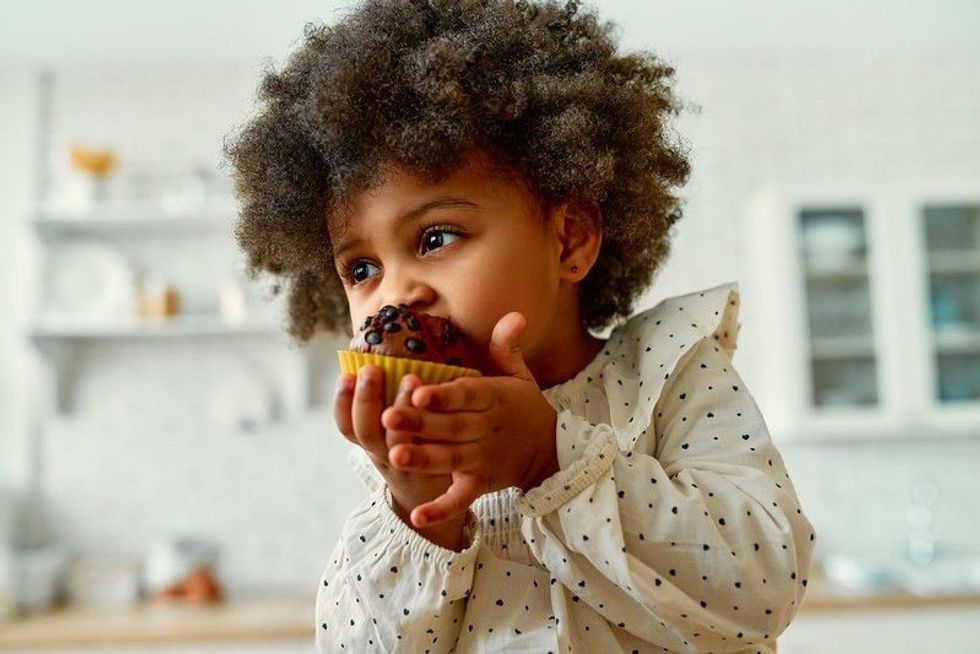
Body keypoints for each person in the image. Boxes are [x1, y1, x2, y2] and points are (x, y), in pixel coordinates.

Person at [223, 1, 815, 651]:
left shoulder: (671, 371)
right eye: (361, 267)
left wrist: (546, 455)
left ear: (570, 239)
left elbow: (766, 583)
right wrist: (419, 518)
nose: (397, 291)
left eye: (435, 236)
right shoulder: (408, 450)